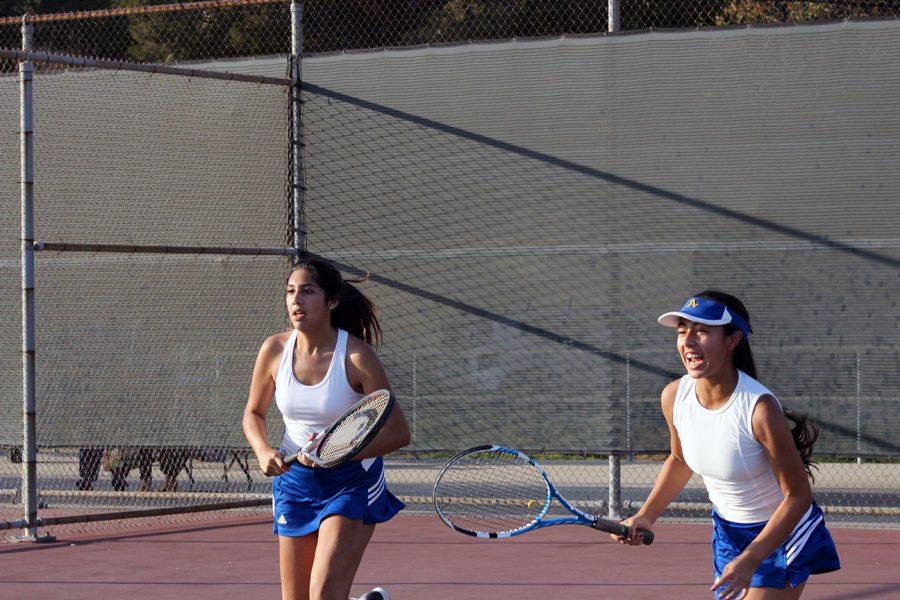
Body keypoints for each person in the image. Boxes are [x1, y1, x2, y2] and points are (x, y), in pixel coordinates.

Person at [616, 290, 840, 599]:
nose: (688, 340)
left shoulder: (759, 409)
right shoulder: (673, 396)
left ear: (733, 340)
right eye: (683, 332)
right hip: (727, 532)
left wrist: (751, 557)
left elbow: (798, 497)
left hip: (782, 532)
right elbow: (680, 461)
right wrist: (646, 515)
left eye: (703, 331)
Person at [243, 257, 410, 600]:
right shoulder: (273, 349)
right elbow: (253, 413)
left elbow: (398, 432)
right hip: (294, 484)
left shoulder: (356, 357)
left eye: (307, 291)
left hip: (351, 482)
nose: (296, 300)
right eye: (290, 292)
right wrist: (263, 450)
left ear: (332, 301)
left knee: (323, 596)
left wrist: (340, 453)